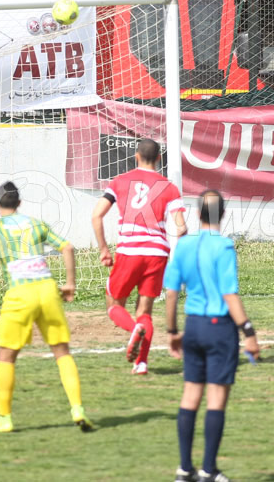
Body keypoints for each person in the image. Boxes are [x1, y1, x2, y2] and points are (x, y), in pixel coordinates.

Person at [0, 181, 93, 433]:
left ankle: (4, 418)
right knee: (62, 352)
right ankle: (77, 409)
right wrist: (70, 283)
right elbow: (67, 247)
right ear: (19, 203)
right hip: (47, 289)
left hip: (19, 294)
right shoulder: (36, 224)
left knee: (7, 356)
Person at [164, 190, 260, 482]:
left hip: (192, 326)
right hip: (219, 328)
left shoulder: (182, 245)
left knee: (190, 395)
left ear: (197, 214)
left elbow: (170, 294)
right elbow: (229, 293)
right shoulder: (224, 247)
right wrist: (249, 331)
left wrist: (172, 331)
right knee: (216, 399)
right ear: (224, 214)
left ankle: (184, 469)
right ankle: (208, 470)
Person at [91, 138, 187, 375]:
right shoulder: (169, 187)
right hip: (157, 252)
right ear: (158, 159)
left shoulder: (120, 182)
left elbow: (96, 216)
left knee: (113, 305)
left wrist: (104, 249)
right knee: (145, 311)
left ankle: (134, 330)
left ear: (135, 156)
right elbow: (182, 228)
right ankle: (141, 363)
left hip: (130, 250)